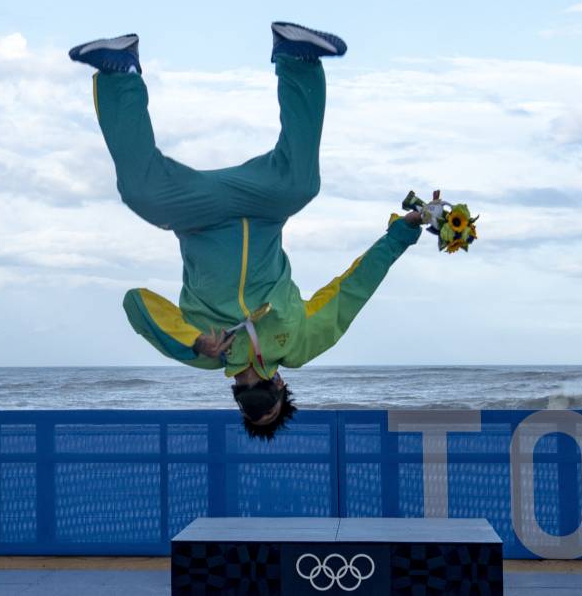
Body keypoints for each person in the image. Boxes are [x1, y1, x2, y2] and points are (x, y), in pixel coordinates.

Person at [69, 23, 422, 440]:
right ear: (281, 387)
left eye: (248, 406)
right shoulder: (300, 345)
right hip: (263, 210)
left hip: (196, 216)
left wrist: (195, 341)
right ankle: (296, 58)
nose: (253, 396)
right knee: (302, 184)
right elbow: (352, 290)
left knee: (140, 193)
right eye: (266, 405)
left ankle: (118, 71)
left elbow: (136, 303)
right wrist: (403, 232)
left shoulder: (201, 355)